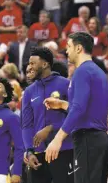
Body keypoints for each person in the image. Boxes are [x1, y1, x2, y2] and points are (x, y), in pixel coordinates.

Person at [44, 32, 108, 183]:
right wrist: (62, 104)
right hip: (99, 139)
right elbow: (89, 108)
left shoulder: (81, 71)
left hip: (87, 139)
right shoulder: (98, 72)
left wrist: (58, 138)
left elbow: (79, 109)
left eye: (69, 46)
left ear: (79, 48)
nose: (67, 51)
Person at [21, 47, 74, 183]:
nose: (30, 67)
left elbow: (75, 115)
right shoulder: (29, 91)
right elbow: (27, 125)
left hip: (64, 150)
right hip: (38, 154)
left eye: (33, 63)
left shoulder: (66, 84)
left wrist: (52, 127)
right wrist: (29, 151)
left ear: (45, 64)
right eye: (29, 64)